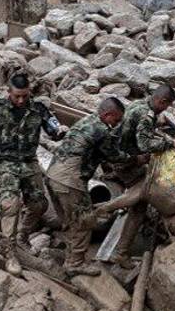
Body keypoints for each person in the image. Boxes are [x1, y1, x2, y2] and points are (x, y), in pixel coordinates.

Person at [0, 73, 66, 272]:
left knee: (39, 204)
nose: (20, 100)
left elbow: (53, 129)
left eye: (24, 96)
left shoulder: (38, 108)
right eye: (16, 96)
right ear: (9, 92)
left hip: (29, 162)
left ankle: (22, 236)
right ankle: (10, 253)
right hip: (5, 162)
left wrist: (60, 130)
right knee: (10, 205)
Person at [101, 84, 175, 268]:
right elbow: (145, 144)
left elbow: (143, 133)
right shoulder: (146, 115)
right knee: (143, 191)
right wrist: (172, 143)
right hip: (127, 163)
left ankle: (121, 252)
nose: (165, 110)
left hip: (120, 157)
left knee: (139, 207)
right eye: (167, 106)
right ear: (162, 101)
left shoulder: (138, 104)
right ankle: (103, 210)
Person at [45, 97, 129, 278]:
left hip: (52, 175)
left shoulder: (86, 121)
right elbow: (114, 156)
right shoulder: (101, 130)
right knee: (85, 221)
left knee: (70, 220)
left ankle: (70, 256)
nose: (117, 124)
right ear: (108, 115)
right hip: (69, 180)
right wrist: (135, 158)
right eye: (116, 120)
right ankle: (75, 263)